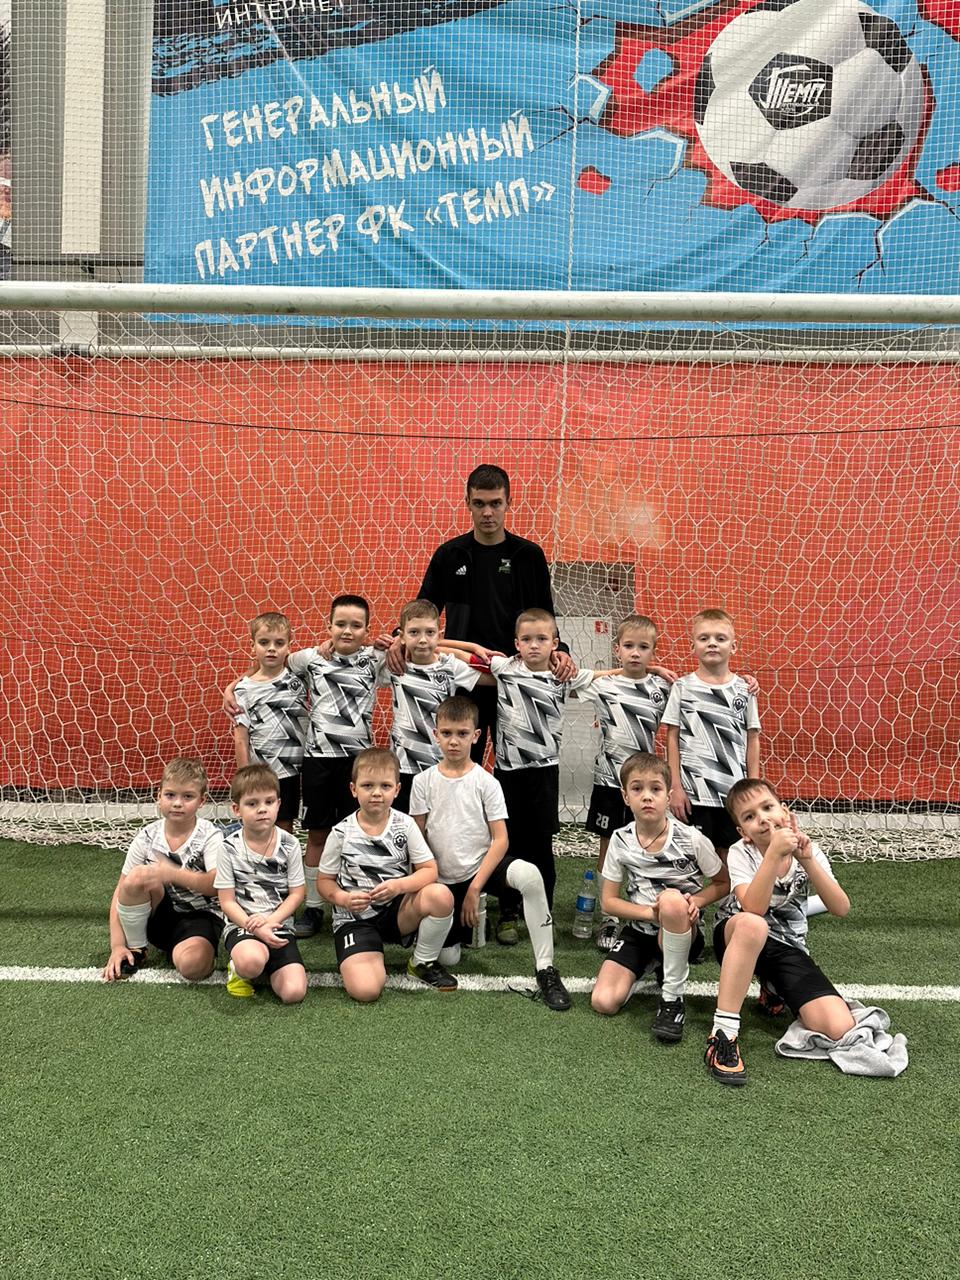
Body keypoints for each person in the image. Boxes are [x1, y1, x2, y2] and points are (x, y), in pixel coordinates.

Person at [223, 594, 383, 939]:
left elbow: (418, 647)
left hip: (358, 763)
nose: (347, 631)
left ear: (367, 630)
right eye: (340, 624)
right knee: (318, 834)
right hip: (317, 761)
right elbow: (269, 666)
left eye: (356, 625)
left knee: (355, 833)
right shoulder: (310, 658)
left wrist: (394, 642)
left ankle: (350, 903)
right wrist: (233, 687)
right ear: (329, 626)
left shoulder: (375, 658)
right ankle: (312, 906)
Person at [397, 464, 575, 762]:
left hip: (516, 678)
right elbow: (422, 611)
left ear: (508, 502)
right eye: (479, 504)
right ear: (468, 503)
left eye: (495, 503)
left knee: (516, 769)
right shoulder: (449, 555)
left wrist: (562, 650)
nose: (488, 512)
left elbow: (545, 616)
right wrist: (398, 638)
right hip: (464, 681)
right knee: (459, 765)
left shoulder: (528, 557)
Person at [410, 695, 572, 1011]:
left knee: (530, 875)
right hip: (442, 881)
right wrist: (431, 886)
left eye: (461, 733)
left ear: (476, 735)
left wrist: (474, 888)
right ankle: (447, 932)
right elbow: (418, 839)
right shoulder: (422, 782)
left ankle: (546, 968)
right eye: (447, 733)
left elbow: (500, 840)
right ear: (435, 735)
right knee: (449, 958)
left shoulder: (487, 782)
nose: (453, 741)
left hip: (480, 871)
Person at [705, 778, 855, 1086]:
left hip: (786, 944)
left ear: (784, 812)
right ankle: (723, 1033)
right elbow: (753, 908)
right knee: (753, 925)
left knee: (838, 1026)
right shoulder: (740, 853)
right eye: (750, 816)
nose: (762, 819)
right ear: (742, 832)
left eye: (768, 807)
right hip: (737, 935)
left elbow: (840, 907)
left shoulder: (808, 850)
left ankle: (772, 987)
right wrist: (773, 855)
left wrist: (807, 859)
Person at [591, 753, 729, 1042]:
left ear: (668, 796)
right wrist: (650, 914)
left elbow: (723, 882)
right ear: (625, 797)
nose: (647, 796)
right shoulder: (620, 839)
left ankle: (672, 1001)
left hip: (684, 929)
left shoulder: (691, 838)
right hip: (640, 931)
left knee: (671, 901)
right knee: (603, 1001)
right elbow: (609, 902)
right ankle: (653, 963)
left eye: (655, 789)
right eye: (637, 788)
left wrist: (695, 903)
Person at [316, 746, 458, 1000]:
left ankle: (421, 963)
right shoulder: (340, 833)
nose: (376, 793)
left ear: (397, 789)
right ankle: (365, 955)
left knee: (440, 895)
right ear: (353, 789)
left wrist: (399, 886)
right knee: (366, 990)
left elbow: (429, 871)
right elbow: (324, 882)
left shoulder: (405, 825)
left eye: (385, 786)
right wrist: (343, 898)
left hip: (397, 912)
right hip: (355, 920)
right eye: (367, 786)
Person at [485, 608, 596, 923]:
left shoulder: (563, 674)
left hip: (544, 773)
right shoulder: (503, 667)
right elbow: (451, 655)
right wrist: (476, 649)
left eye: (542, 639)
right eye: (527, 639)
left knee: (541, 843)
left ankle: (541, 910)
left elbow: (606, 676)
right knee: (508, 840)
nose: (534, 645)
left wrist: (652, 668)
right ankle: (508, 909)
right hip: (507, 774)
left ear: (555, 644)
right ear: (516, 643)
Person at [578, 614, 672, 952]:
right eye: (628, 646)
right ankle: (610, 915)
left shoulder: (662, 689)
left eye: (643, 647)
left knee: (649, 844)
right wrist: (616, 672)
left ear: (653, 651)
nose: (635, 653)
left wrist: (657, 672)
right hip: (609, 781)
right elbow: (573, 679)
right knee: (609, 847)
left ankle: (644, 907)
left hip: (646, 786)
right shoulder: (603, 686)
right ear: (616, 649)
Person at [102, 757, 222, 983]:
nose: (177, 803)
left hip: (200, 917)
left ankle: (202, 953)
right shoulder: (147, 836)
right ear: (159, 796)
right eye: (170, 795)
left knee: (192, 967)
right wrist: (117, 945)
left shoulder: (210, 836)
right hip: (159, 916)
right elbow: (121, 890)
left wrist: (173, 874)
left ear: (202, 800)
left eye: (188, 796)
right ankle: (137, 949)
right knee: (137, 876)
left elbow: (217, 885)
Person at [663, 608, 760, 864]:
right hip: (693, 793)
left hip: (733, 794)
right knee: (691, 859)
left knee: (733, 858)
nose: (712, 643)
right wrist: (675, 787)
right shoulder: (682, 687)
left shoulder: (744, 689)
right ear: (692, 646)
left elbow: (753, 739)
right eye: (704, 638)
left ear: (734, 646)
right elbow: (671, 737)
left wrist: (754, 788)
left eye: (720, 638)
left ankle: (731, 893)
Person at [380, 598, 486, 814]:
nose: (422, 640)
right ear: (401, 636)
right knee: (406, 825)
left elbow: (494, 676)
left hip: (440, 766)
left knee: (440, 825)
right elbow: (354, 654)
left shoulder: (450, 666)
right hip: (403, 766)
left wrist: (468, 650)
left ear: (439, 634)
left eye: (430, 632)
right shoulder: (394, 664)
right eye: (414, 633)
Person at [213, 764, 308, 1004]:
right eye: (252, 803)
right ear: (237, 809)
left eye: (269, 801)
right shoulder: (228, 847)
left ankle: (266, 963)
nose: (262, 809)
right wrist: (253, 926)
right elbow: (226, 902)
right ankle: (240, 969)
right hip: (243, 925)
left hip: (278, 925)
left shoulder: (290, 844)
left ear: (278, 804)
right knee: (251, 962)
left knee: (294, 993)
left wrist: (271, 922)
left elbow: (297, 894)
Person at [232, 612, 308, 835]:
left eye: (279, 643)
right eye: (264, 642)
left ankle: (282, 858)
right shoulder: (244, 689)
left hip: (293, 771)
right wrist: (245, 775)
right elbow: (241, 737)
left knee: (285, 826)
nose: (271, 649)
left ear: (289, 646)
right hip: (262, 772)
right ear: (252, 646)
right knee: (259, 825)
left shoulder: (299, 677)